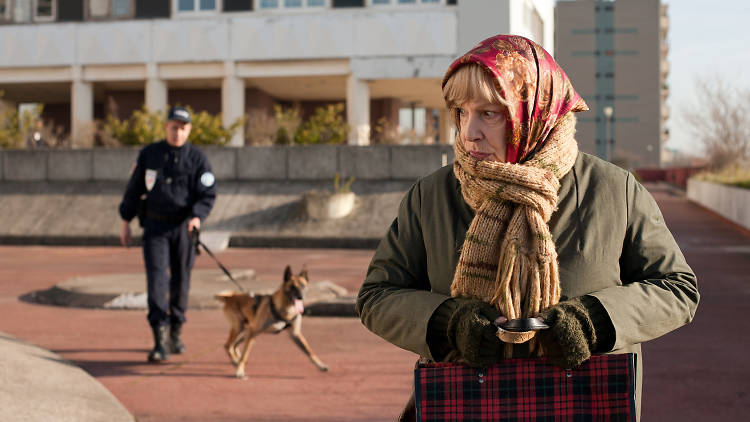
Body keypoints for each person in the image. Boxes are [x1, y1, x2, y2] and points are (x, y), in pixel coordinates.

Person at [355, 34, 698, 421]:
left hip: (583, 404)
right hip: (468, 404)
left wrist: (597, 320)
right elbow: (377, 295)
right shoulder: (430, 195)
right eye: (461, 112)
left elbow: (676, 288)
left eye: (489, 113)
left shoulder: (613, 189)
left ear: (536, 110)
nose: (469, 133)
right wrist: (448, 323)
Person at [119, 106, 216, 363]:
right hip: (155, 228)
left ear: (189, 130)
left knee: (181, 282)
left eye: (183, 127)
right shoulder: (150, 154)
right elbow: (134, 189)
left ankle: (176, 331)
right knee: (157, 281)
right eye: (174, 126)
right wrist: (125, 221)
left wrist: (197, 216)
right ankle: (159, 339)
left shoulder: (197, 158)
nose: (178, 132)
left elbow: (207, 193)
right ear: (166, 127)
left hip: (184, 228)